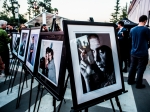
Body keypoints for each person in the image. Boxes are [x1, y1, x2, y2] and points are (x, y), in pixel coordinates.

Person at [127, 15, 150, 89]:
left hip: (133, 52)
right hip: (142, 53)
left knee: (132, 67)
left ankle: (130, 81)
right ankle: (138, 84)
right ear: (145, 21)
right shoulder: (146, 29)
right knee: (141, 68)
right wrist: (147, 46)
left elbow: (131, 39)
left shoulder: (132, 29)